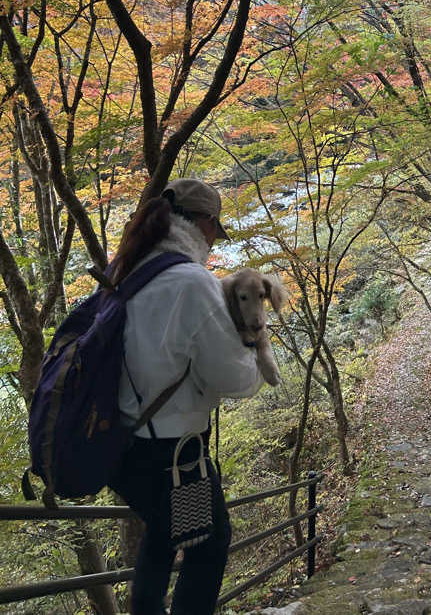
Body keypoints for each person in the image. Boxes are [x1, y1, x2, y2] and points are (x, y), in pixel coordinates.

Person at [109, 178, 264, 615]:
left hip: (124, 449)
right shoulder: (192, 283)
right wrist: (253, 358)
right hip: (175, 458)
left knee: (165, 532)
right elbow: (233, 378)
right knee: (209, 545)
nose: (215, 242)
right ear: (204, 223)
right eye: (216, 230)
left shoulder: (128, 271)